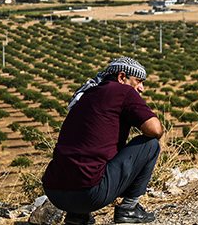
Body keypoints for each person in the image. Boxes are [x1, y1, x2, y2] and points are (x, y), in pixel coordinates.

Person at [43, 57, 163, 225]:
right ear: (122, 77)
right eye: (138, 81)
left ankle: (77, 216)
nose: (141, 88)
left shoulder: (86, 94)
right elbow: (155, 129)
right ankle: (129, 209)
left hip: (54, 192)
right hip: (90, 194)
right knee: (150, 144)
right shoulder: (123, 91)